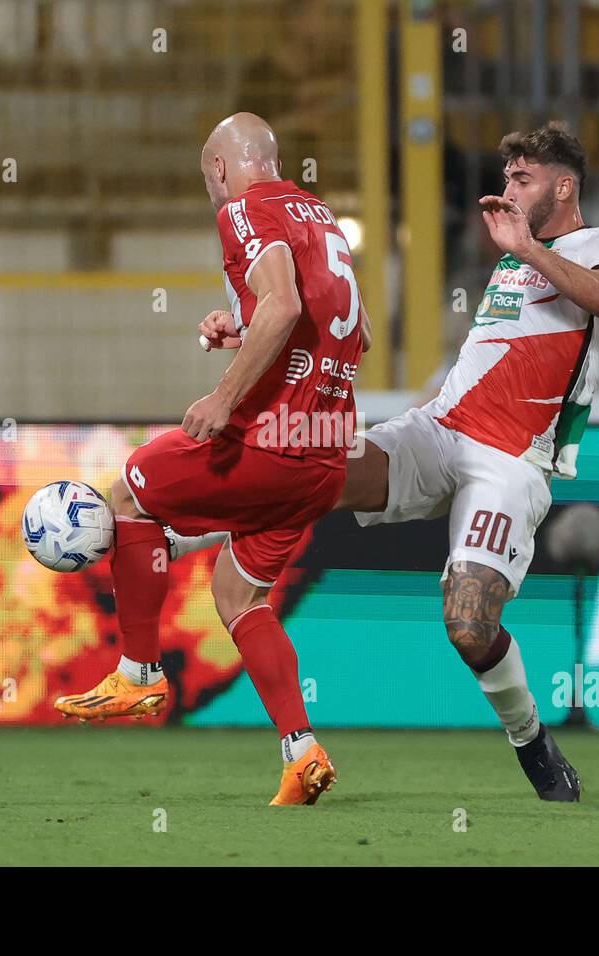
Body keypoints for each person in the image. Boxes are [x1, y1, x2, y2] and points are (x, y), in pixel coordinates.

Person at [53, 112, 371, 807]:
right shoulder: (319, 216)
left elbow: (284, 305)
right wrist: (242, 331)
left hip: (270, 444)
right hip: (324, 458)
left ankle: (138, 670)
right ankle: (301, 751)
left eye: (206, 175)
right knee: (238, 597)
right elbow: (351, 331)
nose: (209, 189)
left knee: (130, 494)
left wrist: (227, 396)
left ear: (222, 167)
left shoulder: (242, 209)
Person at [335, 125, 599, 802]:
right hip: (441, 430)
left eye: (522, 179)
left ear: (564, 186)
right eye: (506, 178)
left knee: (469, 625)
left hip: (511, 461)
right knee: (321, 467)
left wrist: (529, 249)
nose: (506, 192)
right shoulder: (507, 264)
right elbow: (482, 358)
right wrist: (406, 419)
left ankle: (531, 739)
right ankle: (179, 532)